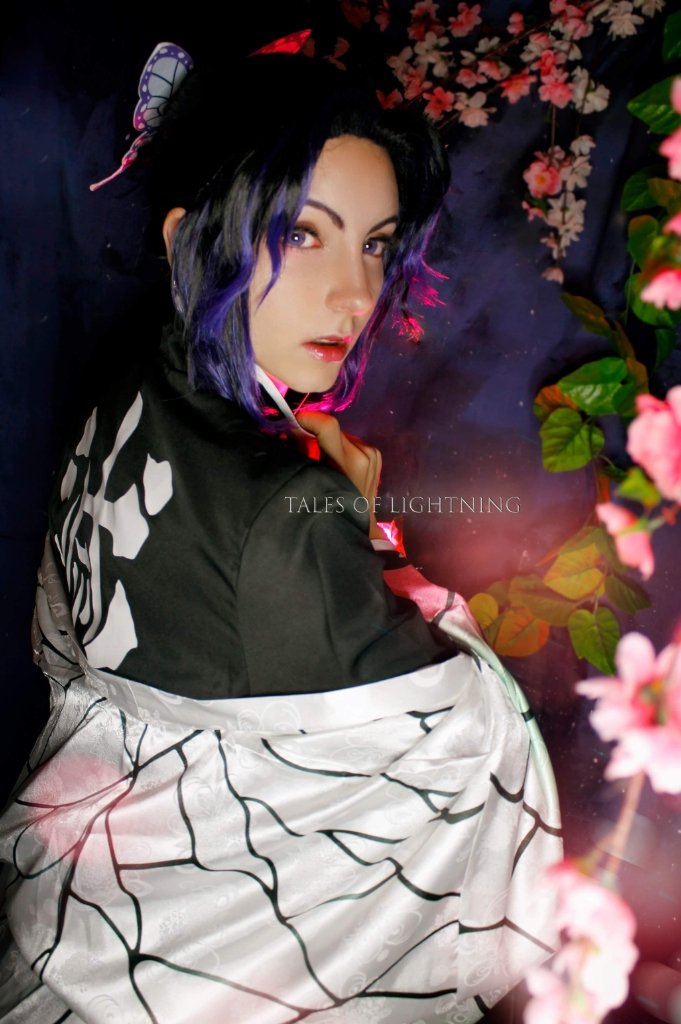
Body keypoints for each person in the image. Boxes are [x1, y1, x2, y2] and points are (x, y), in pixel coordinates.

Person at [0, 39, 562, 1024]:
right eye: (304, 234)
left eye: (375, 244)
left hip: (84, 907)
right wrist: (366, 530)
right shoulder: (289, 517)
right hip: (235, 963)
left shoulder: (121, 387)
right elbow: (465, 745)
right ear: (189, 236)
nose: (356, 293)